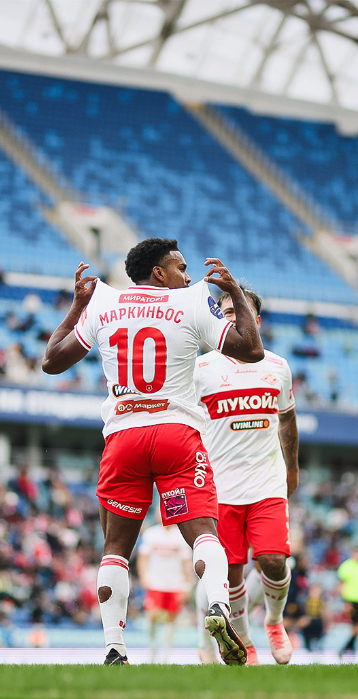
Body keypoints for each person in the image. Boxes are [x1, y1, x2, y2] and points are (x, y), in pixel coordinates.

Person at [43, 238, 264, 665]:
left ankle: (114, 647)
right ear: (159, 273)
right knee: (204, 534)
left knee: (115, 549)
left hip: (123, 438)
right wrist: (235, 291)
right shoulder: (192, 301)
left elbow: (52, 361)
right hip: (175, 435)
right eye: (181, 267)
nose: (188, 275)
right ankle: (219, 607)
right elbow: (251, 350)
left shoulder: (104, 303)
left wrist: (76, 307)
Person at [193, 286, 299, 665]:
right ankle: (245, 640)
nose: (234, 316)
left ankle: (274, 621)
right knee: (231, 574)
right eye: (226, 311)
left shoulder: (277, 366)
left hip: (266, 483)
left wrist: (292, 467)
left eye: (241, 310)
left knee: (273, 561)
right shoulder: (201, 369)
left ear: (257, 320)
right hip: (220, 490)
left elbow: (287, 419)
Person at [136, 514, 191, 664]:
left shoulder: (181, 536)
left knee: (171, 620)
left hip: (175, 583)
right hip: (156, 583)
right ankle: (153, 649)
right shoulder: (151, 534)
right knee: (152, 616)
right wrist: (144, 577)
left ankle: (166, 654)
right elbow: (143, 558)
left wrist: (187, 584)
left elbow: (186, 562)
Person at [336, 547, 358, 660]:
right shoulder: (347, 566)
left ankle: (348, 648)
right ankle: (347, 649)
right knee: (357, 627)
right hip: (350, 600)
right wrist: (345, 602)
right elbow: (341, 583)